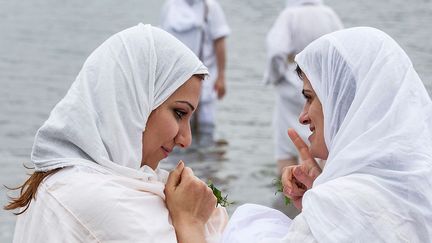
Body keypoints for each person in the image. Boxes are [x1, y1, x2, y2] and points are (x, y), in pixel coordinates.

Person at [4, 23, 228, 243]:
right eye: (179, 113)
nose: (186, 139)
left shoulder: (64, 181)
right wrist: (191, 223)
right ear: (133, 102)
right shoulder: (101, 202)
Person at [222, 27, 432, 242]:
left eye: (310, 97)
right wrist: (320, 192)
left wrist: (194, 223)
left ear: (343, 104)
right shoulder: (419, 186)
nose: (302, 117)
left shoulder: (341, 204)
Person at [263, 0, 343, 174]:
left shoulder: (289, 15)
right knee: (323, 136)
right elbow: (342, 50)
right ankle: (320, 180)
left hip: (291, 82)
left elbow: (276, 52)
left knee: (286, 142)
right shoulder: (329, 14)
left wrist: (277, 77)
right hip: (322, 86)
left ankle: (286, 190)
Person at [160, 0, 230, 147]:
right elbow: (162, 44)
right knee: (174, 132)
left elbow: (220, 42)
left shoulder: (210, 7)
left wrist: (221, 77)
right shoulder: (170, 6)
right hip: (174, 81)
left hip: (205, 80)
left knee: (206, 129)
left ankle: (204, 164)